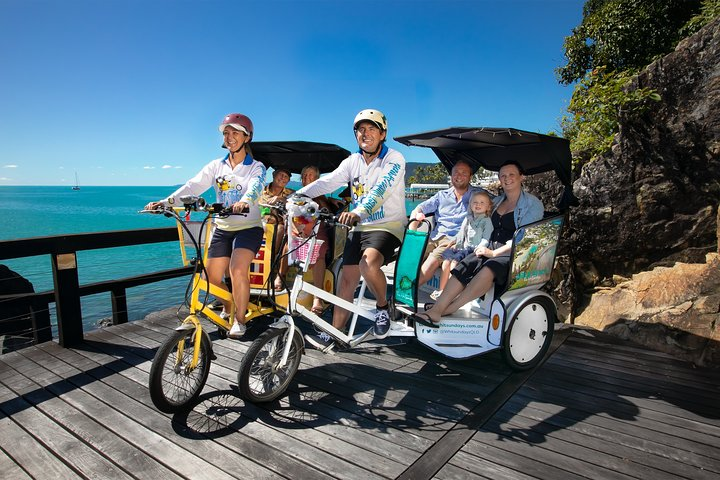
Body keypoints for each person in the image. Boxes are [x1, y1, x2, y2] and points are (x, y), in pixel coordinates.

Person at [144, 113, 265, 338]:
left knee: (237, 269)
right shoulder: (216, 166)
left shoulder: (256, 166)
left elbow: (255, 188)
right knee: (211, 278)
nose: (230, 137)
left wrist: (244, 203)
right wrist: (164, 203)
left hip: (248, 227)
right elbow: (193, 187)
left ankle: (240, 320)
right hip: (222, 227)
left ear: (247, 137)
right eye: (226, 133)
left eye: (235, 133)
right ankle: (229, 306)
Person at [296, 109, 407, 349]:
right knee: (346, 279)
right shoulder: (352, 161)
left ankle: (382, 306)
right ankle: (335, 331)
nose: (365, 134)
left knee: (368, 264)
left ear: (383, 133)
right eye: (360, 129)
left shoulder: (394, 158)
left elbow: (381, 191)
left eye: (371, 129)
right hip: (359, 227)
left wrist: (357, 212)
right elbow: (328, 181)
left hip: (387, 226)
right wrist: (298, 195)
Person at [412, 160, 544, 326]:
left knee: (489, 268)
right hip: (487, 246)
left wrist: (494, 253)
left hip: (511, 252)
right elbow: (476, 216)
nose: (507, 178)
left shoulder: (532, 204)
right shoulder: (496, 202)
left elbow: (524, 237)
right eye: (503, 175)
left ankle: (450, 308)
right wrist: (460, 241)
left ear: (521, 177)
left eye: (512, 174)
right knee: (464, 264)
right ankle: (438, 308)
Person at [408, 160, 481, 291]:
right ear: (451, 176)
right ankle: (400, 288)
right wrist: (413, 228)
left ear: (470, 177)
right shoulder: (441, 195)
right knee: (410, 255)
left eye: (464, 173)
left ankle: (405, 293)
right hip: (434, 236)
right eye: (456, 172)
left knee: (429, 263)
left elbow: (497, 205)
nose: (459, 176)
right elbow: (420, 208)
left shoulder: (477, 196)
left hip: (453, 241)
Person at [293, 165, 343, 313]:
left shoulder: (322, 197)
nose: (307, 178)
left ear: (317, 179)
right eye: (304, 176)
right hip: (297, 230)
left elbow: (327, 211)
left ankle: (317, 297)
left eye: (310, 176)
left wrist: (330, 202)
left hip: (317, 231)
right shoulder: (296, 194)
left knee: (319, 252)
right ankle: (278, 281)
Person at [434, 190, 494, 299]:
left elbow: (486, 238)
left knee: (454, 263)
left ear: (488, 207)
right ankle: (441, 290)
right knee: (446, 262)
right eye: (475, 202)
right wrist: (454, 244)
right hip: (463, 247)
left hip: (474, 250)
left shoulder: (487, 221)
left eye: (482, 203)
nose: (478, 205)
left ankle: (450, 293)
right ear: (470, 205)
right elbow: (461, 234)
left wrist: (481, 247)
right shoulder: (468, 218)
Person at [259, 167, 295, 290]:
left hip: (280, 227)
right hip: (259, 225)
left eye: (286, 177)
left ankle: (276, 270)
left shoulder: (290, 193)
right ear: (274, 175)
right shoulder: (260, 191)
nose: (283, 178)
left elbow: (299, 203)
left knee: (281, 231)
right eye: (281, 175)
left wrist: (281, 199)